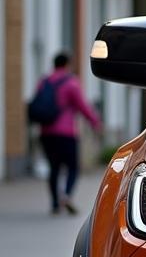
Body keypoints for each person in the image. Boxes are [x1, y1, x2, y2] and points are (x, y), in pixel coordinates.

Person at [35, 54, 101, 215]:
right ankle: (66, 195)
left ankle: (55, 203)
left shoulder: (43, 82)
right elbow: (82, 106)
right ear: (67, 64)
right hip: (66, 134)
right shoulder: (71, 83)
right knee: (72, 167)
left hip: (46, 133)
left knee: (54, 168)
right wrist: (95, 122)